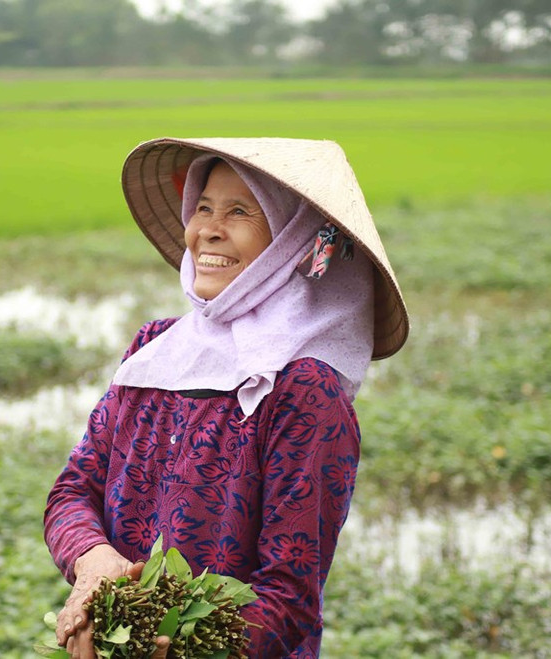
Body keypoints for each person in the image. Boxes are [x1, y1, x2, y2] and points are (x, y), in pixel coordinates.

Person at [44, 137, 409, 658]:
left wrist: (181, 649)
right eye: (204, 207)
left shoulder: (305, 390)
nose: (208, 229)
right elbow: (73, 491)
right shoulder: (154, 348)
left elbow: (289, 595)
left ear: (290, 239)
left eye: (240, 211)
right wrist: (93, 561)